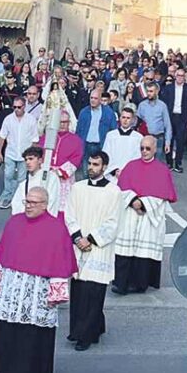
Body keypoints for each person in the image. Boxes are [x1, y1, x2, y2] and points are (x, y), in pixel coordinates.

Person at [0, 187, 77, 373]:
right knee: (5, 330)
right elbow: (3, 253)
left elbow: (60, 262)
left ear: (45, 205)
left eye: (33, 202)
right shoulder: (14, 222)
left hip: (38, 290)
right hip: (13, 286)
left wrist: (56, 291)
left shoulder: (56, 228)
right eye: (27, 201)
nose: (28, 206)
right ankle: (5, 368)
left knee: (31, 334)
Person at [64, 152, 122, 350]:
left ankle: (87, 336)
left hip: (99, 248)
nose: (91, 167)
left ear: (104, 167)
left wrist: (91, 239)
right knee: (79, 291)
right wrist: (78, 237)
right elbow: (69, 214)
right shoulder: (77, 188)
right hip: (79, 245)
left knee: (94, 292)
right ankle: (78, 330)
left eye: (96, 164)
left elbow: (114, 222)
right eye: (89, 163)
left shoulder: (114, 192)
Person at [112, 135, 177, 295]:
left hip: (149, 216)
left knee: (143, 251)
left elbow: (162, 196)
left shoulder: (162, 170)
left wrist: (143, 204)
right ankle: (120, 283)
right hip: (130, 214)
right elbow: (120, 190)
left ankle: (140, 284)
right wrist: (133, 200)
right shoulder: (131, 166)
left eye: (148, 148)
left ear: (155, 149)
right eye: (142, 148)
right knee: (125, 249)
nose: (144, 151)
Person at [0, 97, 39, 209]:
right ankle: (8, 197)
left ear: (24, 106)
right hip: (10, 152)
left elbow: (34, 139)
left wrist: (33, 156)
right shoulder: (8, 119)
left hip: (25, 155)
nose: (16, 109)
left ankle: (18, 198)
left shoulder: (31, 119)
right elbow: (2, 137)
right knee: (8, 175)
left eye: (19, 107)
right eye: (14, 107)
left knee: (21, 178)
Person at [38, 110, 82, 213]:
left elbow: (76, 159)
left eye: (65, 122)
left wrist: (59, 172)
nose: (62, 125)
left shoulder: (76, 140)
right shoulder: (47, 137)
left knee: (62, 207)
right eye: (60, 122)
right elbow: (39, 153)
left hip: (63, 178)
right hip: (47, 173)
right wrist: (44, 168)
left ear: (69, 123)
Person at [160, 68, 187, 172]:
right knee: (168, 140)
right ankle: (169, 163)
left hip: (182, 118)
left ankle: (178, 163)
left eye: (182, 76)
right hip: (170, 117)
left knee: (180, 141)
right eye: (178, 75)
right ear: (175, 76)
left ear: (184, 77)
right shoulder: (168, 88)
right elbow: (164, 104)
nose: (180, 77)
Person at [76, 90, 118, 177]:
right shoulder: (83, 112)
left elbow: (114, 131)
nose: (93, 100)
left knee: (99, 174)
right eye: (91, 98)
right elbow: (78, 131)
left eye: (95, 98)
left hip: (101, 146)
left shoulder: (108, 113)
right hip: (86, 146)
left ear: (100, 100)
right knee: (86, 173)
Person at [10, 146, 60, 217]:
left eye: (31, 159)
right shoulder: (23, 184)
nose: (28, 162)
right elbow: (16, 204)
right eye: (26, 160)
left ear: (40, 160)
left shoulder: (51, 177)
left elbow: (53, 201)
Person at [102, 106, 143, 178]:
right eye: (123, 117)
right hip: (112, 174)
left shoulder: (138, 137)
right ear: (120, 118)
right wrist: (114, 170)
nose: (125, 120)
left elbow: (138, 157)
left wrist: (126, 171)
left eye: (128, 118)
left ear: (133, 120)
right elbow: (106, 154)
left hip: (130, 174)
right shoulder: (111, 135)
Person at [136, 83, 172, 162]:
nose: (149, 93)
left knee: (156, 163)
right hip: (145, 138)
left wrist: (167, 142)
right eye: (148, 91)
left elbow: (167, 125)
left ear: (157, 92)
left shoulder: (162, 106)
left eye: (151, 91)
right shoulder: (142, 105)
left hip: (158, 138)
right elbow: (137, 123)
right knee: (144, 163)